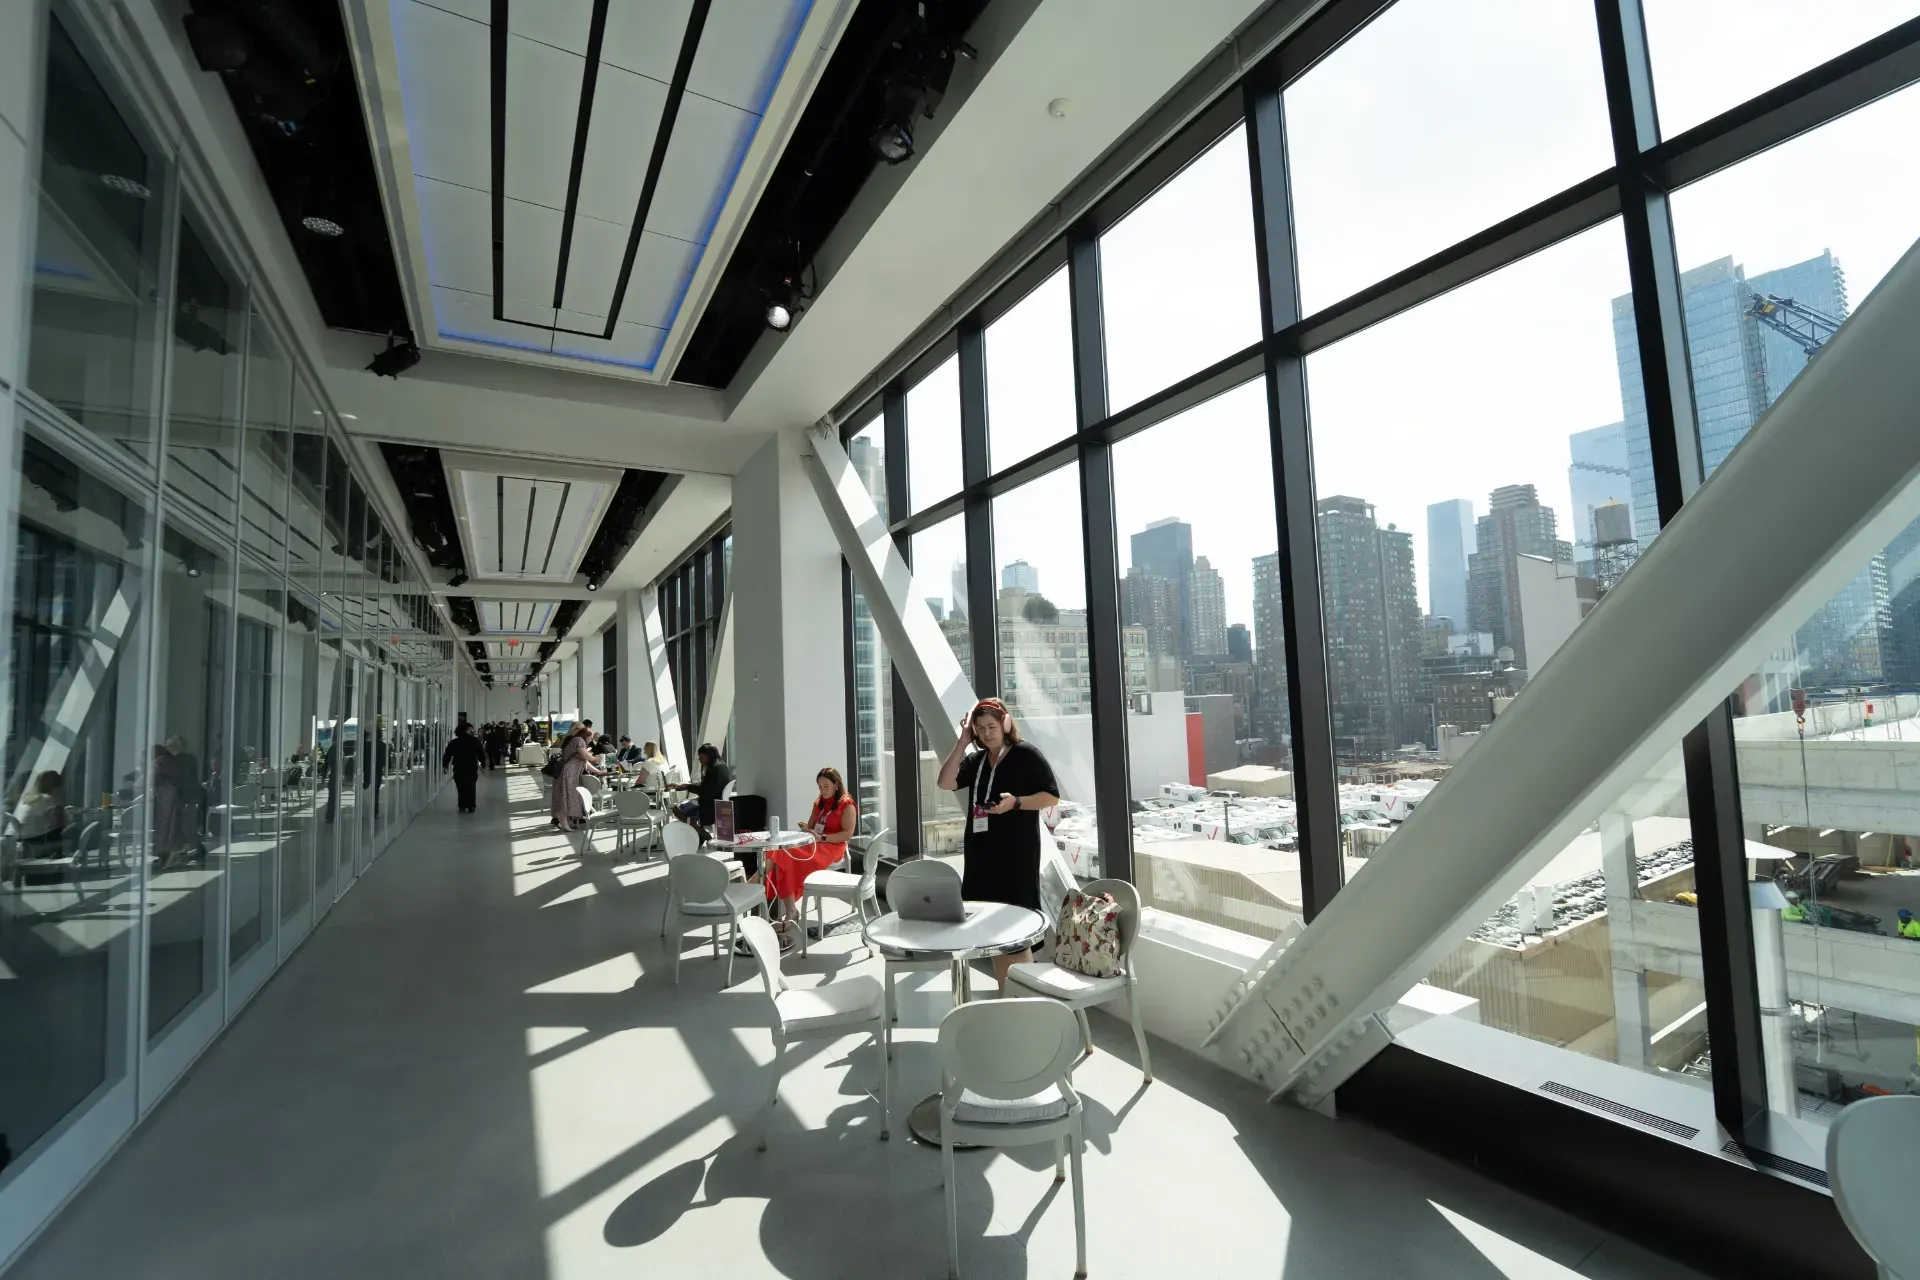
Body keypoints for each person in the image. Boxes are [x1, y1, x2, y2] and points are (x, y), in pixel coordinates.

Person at [936, 697, 1061, 995]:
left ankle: (1027, 1002)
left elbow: (1051, 797)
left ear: (1005, 724)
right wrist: (962, 741)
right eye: (980, 729)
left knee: (1016, 932)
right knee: (992, 934)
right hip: (981, 858)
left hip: (1015, 857)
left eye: (992, 726)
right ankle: (1007, 996)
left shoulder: (1025, 754)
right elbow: (944, 782)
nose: (987, 734)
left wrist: (1016, 803)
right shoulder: (976, 761)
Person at [759, 768, 857, 938]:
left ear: (836, 784)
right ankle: (789, 909)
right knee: (782, 851)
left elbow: (847, 834)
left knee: (781, 856)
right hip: (815, 843)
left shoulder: (847, 804)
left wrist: (822, 837)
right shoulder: (819, 802)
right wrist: (807, 830)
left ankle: (755, 885)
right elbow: (811, 826)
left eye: (826, 786)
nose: (823, 790)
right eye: (820, 787)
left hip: (832, 846)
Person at [550, 724, 605, 831]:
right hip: (569, 773)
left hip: (571, 774)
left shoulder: (574, 740)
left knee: (569, 796)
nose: (590, 740)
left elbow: (585, 762)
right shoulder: (579, 740)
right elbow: (586, 757)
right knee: (566, 797)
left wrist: (598, 771)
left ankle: (564, 820)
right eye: (590, 737)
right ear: (586, 736)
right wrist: (596, 759)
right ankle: (563, 821)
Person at [670, 743, 734, 834]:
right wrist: (688, 785)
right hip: (718, 802)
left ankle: (701, 833)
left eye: (701, 756)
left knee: (677, 809)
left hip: (709, 806)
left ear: (708, 755)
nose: (699, 759)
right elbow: (707, 786)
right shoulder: (721, 765)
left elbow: (704, 790)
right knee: (685, 804)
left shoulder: (715, 769)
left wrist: (688, 786)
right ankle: (699, 833)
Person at [15, 770, 69, 857]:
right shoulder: (48, 798)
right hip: (38, 838)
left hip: (24, 838)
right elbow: (62, 822)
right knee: (71, 830)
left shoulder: (25, 798)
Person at [442, 721, 486, 813]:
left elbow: (447, 755)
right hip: (471, 767)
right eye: (470, 730)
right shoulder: (475, 741)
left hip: (459, 768)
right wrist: (483, 763)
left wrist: (445, 766)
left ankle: (462, 805)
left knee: (461, 787)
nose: (472, 731)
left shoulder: (454, 742)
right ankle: (471, 805)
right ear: (466, 730)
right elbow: (481, 754)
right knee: (471, 786)